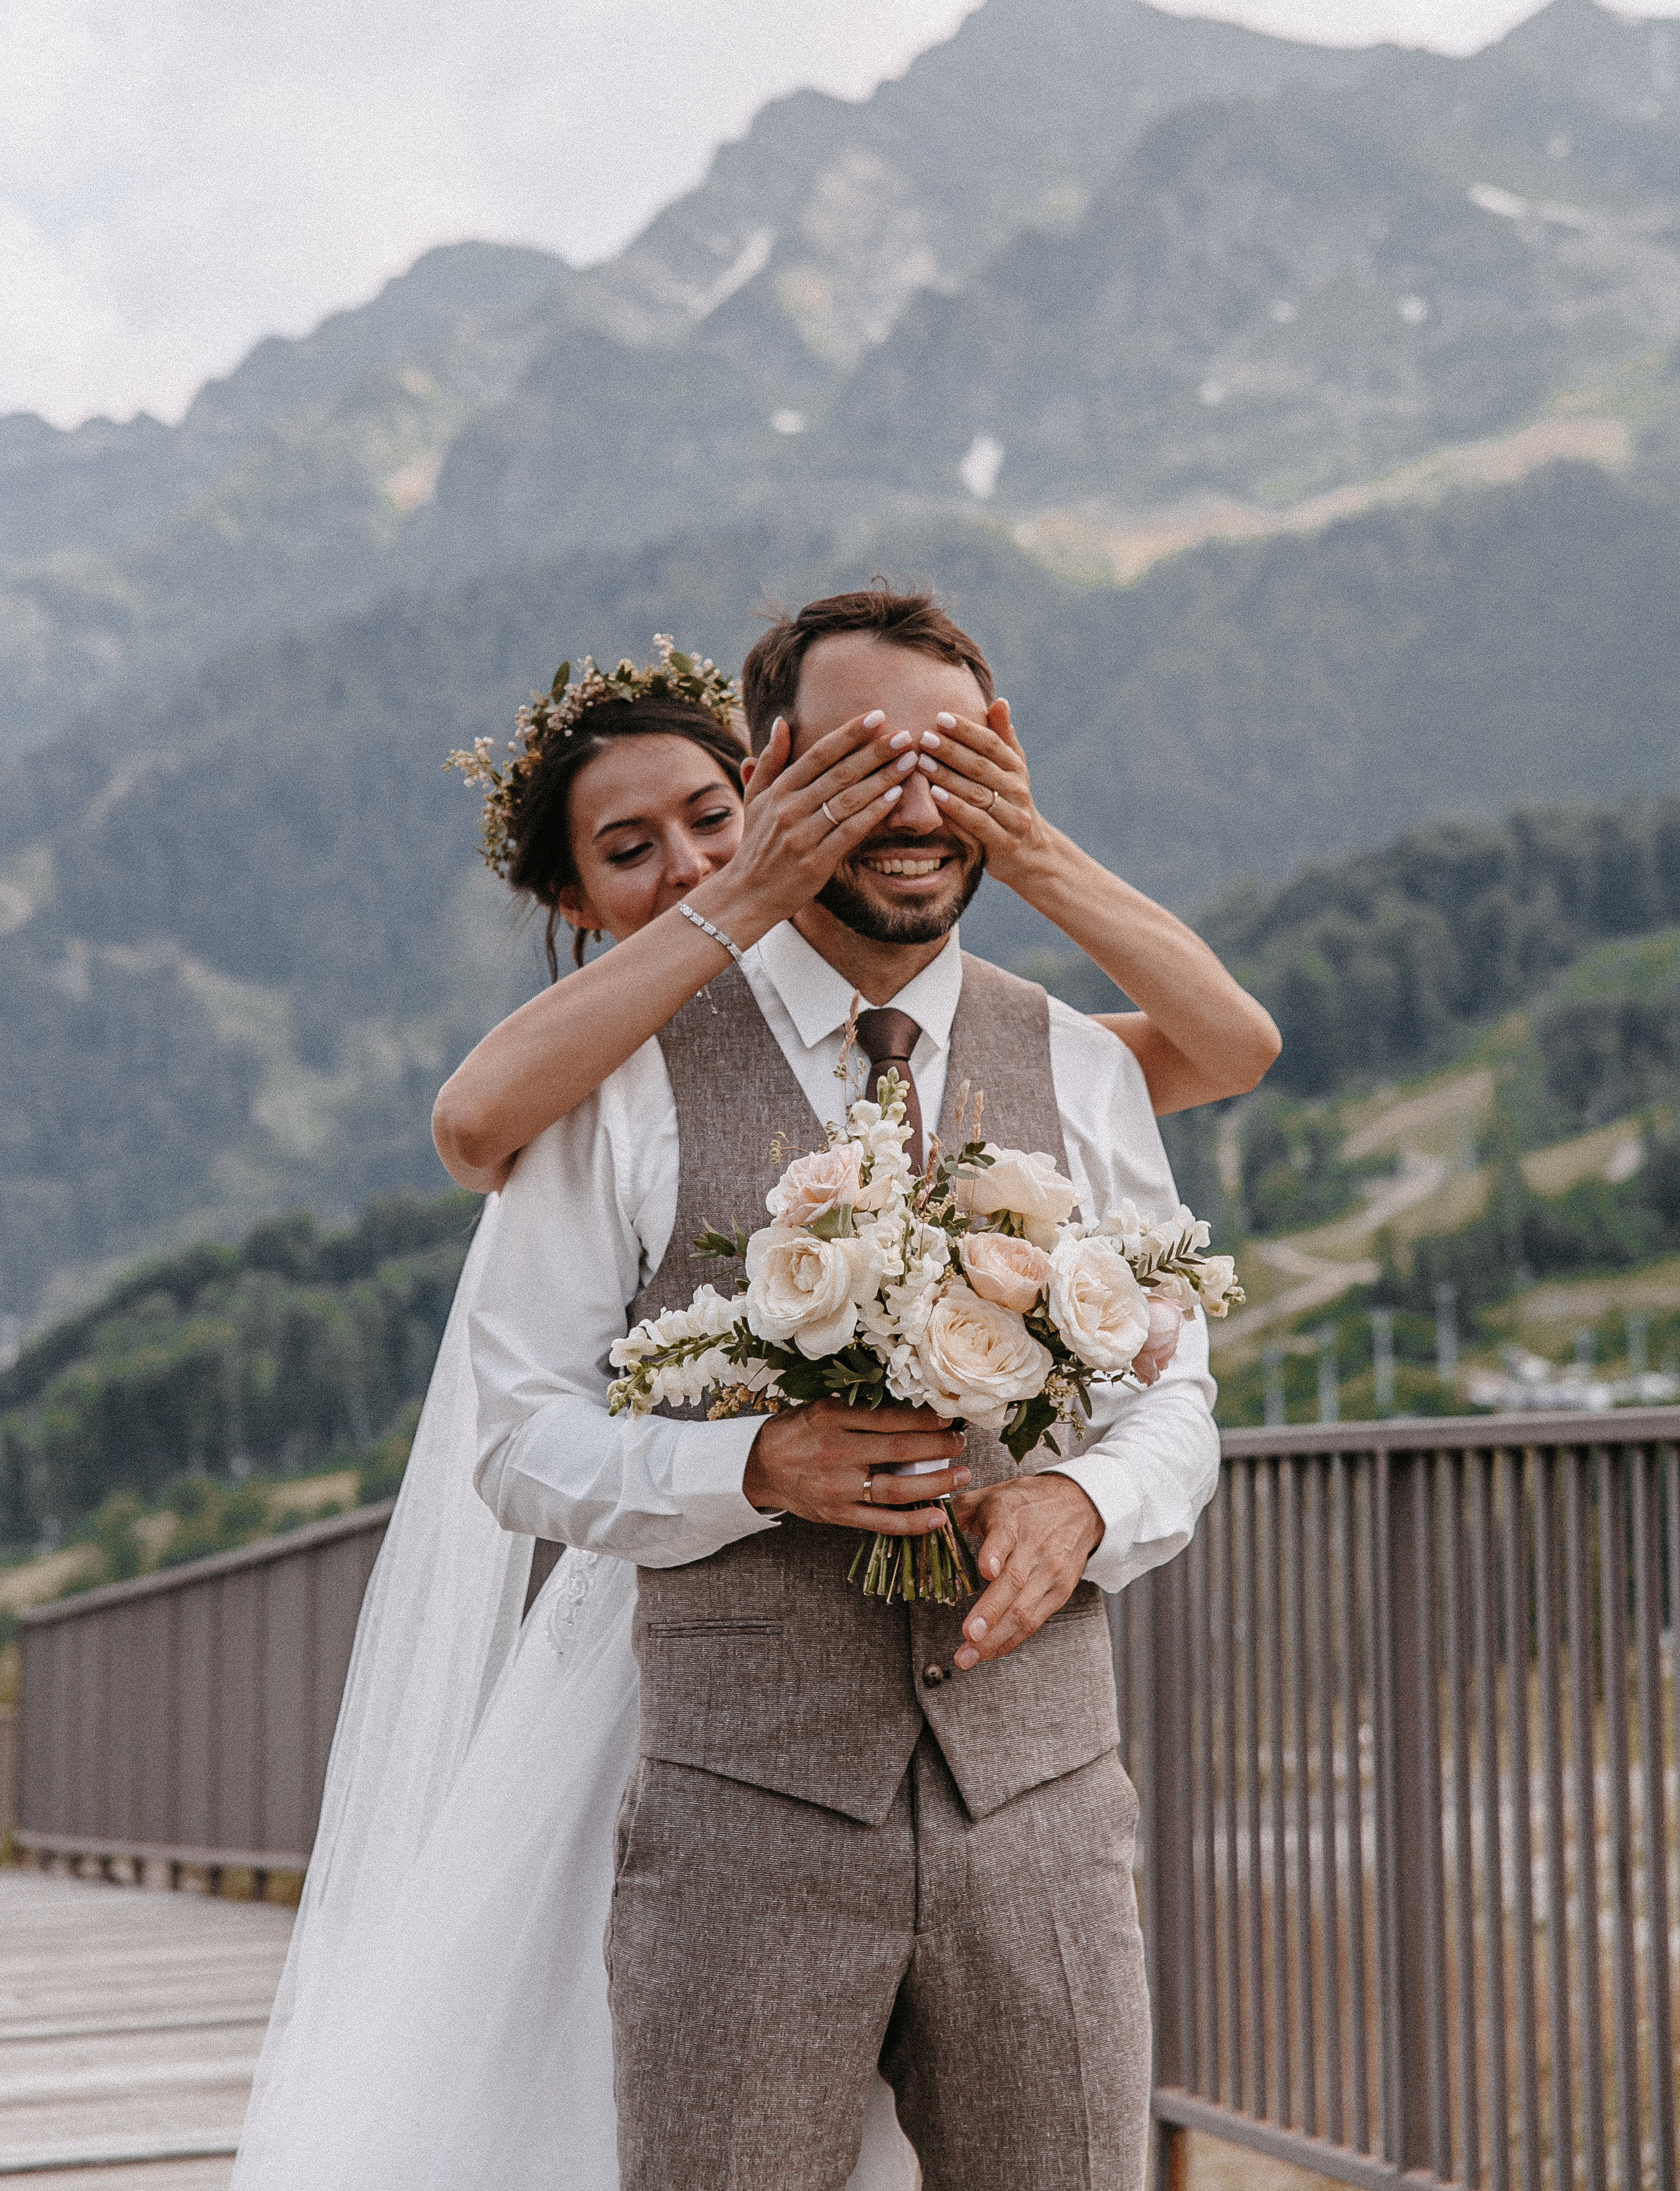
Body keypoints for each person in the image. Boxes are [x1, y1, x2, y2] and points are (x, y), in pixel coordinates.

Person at [230, 602, 1275, 2191]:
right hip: (744, 1813)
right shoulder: (616, 1087)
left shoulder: (1073, 1060)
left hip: (1047, 1807)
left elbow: (1171, 1389)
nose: (909, 804)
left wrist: (1084, 1501)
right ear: (790, 768)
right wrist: (755, 1467)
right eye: (861, 763)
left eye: (948, 764)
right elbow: (518, 1433)